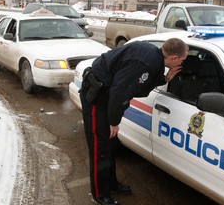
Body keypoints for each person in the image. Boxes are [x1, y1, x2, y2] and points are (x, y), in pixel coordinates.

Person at [80, 38, 189, 205]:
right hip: (98, 98)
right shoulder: (145, 62)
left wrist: (165, 79)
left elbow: (142, 80)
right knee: (100, 147)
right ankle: (100, 194)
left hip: (108, 95)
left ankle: (111, 184)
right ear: (174, 58)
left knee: (110, 145)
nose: (183, 62)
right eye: (183, 59)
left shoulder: (155, 56)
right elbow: (120, 91)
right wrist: (114, 121)